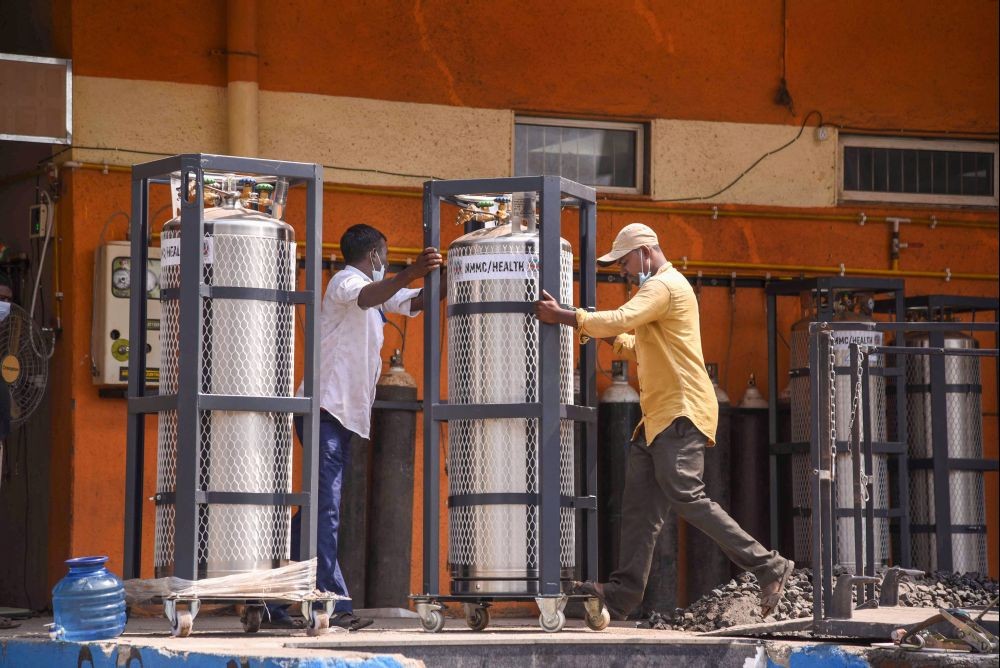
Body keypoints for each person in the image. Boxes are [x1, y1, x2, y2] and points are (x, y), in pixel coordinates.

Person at [534, 222, 793, 620]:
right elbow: (640, 340)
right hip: (657, 419)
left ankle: (767, 565)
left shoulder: (661, 287)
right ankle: (621, 594)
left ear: (645, 251)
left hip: (680, 411)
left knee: (685, 494)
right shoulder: (660, 290)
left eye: (624, 260)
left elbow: (621, 318)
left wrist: (566, 317)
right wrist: (608, 335)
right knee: (639, 507)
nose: (621, 269)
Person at [263, 224, 442, 631]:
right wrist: (411, 271)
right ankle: (333, 604)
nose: (388, 262)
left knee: (314, 511)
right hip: (323, 410)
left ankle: (271, 598)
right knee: (325, 509)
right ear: (375, 255)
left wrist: (448, 271)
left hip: (343, 417)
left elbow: (415, 302)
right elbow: (370, 297)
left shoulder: (380, 287)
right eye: (386, 254)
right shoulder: (346, 282)